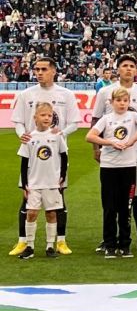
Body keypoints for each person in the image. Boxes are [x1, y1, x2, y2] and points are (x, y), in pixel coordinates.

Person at [9, 56, 80, 257]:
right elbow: (18, 122)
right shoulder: (26, 94)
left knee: (58, 201)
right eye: (36, 69)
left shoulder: (66, 94)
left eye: (43, 69)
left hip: (55, 157)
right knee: (27, 200)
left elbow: (74, 122)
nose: (39, 73)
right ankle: (23, 242)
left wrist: (60, 135)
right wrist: (21, 134)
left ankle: (60, 242)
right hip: (32, 156)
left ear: (53, 71)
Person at [91, 54, 137, 253]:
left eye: (132, 66)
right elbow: (95, 119)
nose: (128, 69)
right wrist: (96, 148)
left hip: (135, 155)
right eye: (124, 65)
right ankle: (108, 239)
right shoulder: (105, 92)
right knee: (110, 200)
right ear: (118, 69)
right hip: (112, 156)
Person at [16, 103, 68, 260]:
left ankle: (50, 246)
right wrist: (25, 183)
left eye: (49, 115)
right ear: (35, 118)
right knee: (31, 213)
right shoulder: (29, 137)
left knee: (51, 213)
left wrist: (62, 177)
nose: (47, 118)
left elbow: (64, 156)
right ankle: (30, 246)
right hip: (34, 183)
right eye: (43, 115)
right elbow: (24, 162)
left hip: (52, 183)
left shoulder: (57, 136)